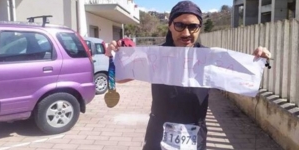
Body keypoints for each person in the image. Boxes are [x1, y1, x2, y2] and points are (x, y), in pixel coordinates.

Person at [105, 1, 271, 150]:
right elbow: (121, 77)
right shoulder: (155, 55)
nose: (186, 33)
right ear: (170, 25)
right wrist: (113, 58)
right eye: (179, 25)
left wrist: (254, 62)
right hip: (158, 130)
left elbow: (242, 81)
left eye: (193, 27)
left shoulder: (209, 58)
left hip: (195, 132)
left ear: (199, 28)